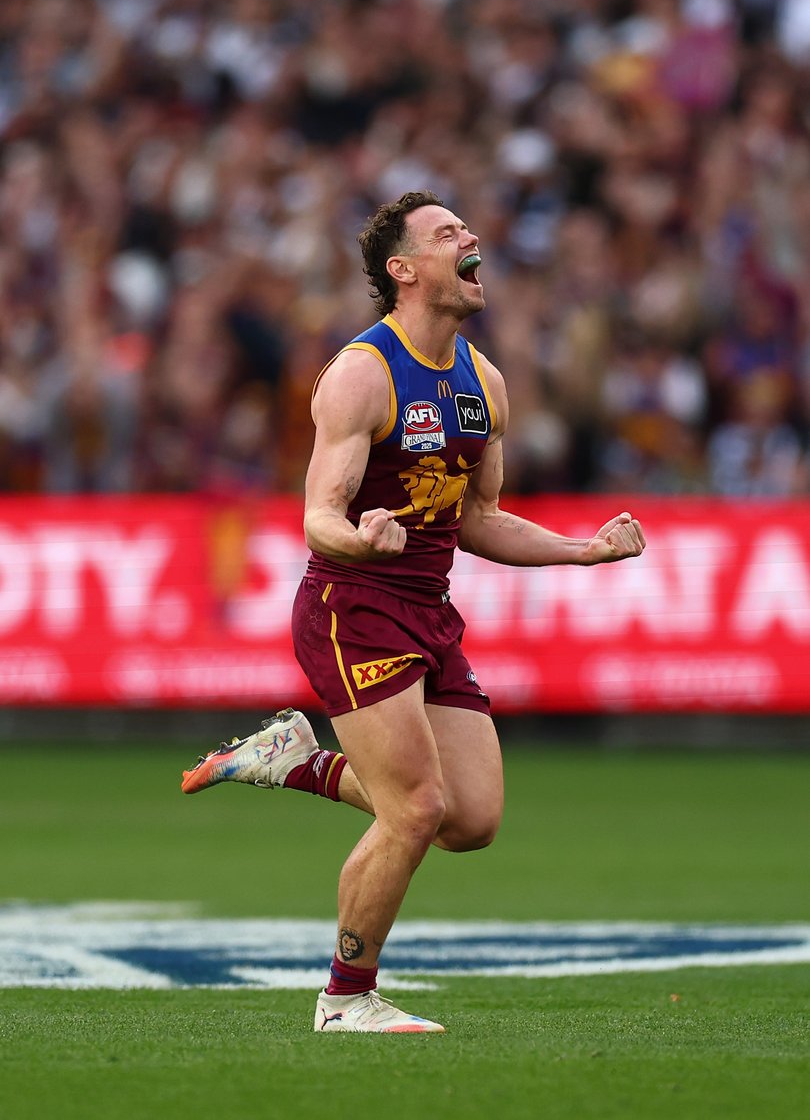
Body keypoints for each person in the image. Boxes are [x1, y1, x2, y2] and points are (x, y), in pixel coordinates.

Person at [181, 190, 646, 1034]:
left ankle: (297, 761)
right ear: (403, 271)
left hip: (429, 612)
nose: (470, 237)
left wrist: (583, 549)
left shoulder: (484, 381)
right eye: (446, 233)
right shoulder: (363, 371)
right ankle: (345, 998)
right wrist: (358, 535)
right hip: (349, 604)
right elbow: (317, 511)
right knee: (417, 807)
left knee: (470, 819)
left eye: (467, 228)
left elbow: (480, 518)